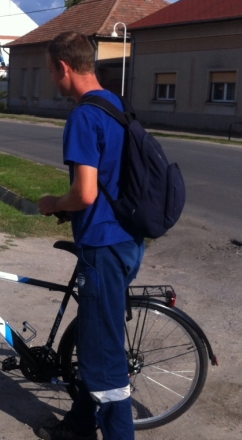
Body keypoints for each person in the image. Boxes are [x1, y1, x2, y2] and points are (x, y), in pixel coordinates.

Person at [35, 32, 144, 440]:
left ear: (65, 67)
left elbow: (84, 193)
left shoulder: (83, 116)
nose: (52, 79)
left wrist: (54, 203)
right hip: (129, 240)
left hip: (102, 247)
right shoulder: (116, 104)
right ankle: (78, 427)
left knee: (103, 359)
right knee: (96, 338)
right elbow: (111, 180)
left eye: (51, 71)